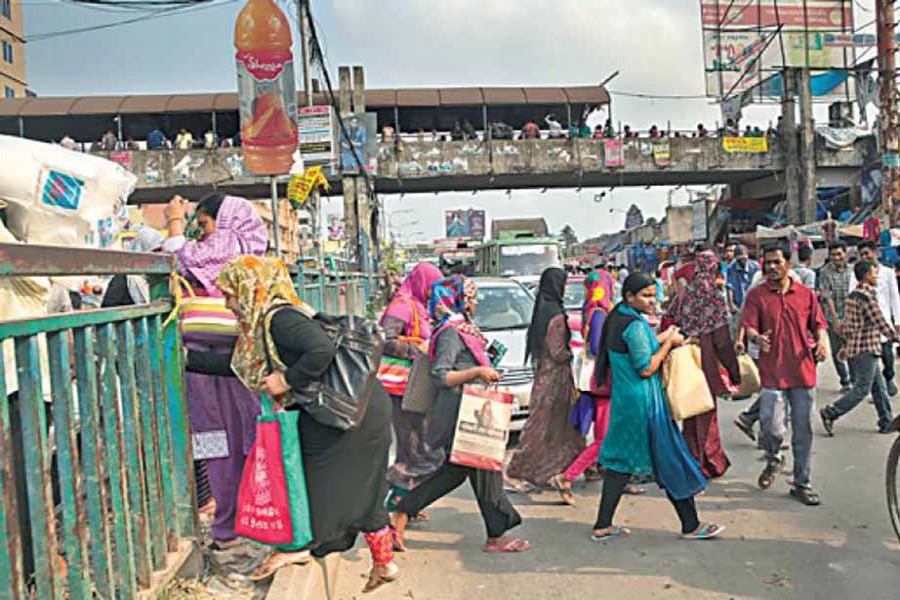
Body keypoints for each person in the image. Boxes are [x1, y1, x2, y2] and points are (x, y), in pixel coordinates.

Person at [206, 257, 398, 592]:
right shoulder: (269, 323)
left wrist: (287, 379)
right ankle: (384, 563)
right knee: (364, 490)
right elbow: (234, 367)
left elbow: (319, 349)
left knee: (312, 483)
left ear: (249, 287)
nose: (228, 304)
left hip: (345, 414)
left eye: (230, 294)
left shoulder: (280, 318)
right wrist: (184, 359)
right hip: (356, 409)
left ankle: (297, 547)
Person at [393, 276, 529, 554]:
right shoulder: (450, 332)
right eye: (470, 297)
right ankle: (496, 535)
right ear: (455, 298)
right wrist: (477, 372)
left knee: (453, 474)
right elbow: (442, 376)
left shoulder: (463, 328)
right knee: (486, 470)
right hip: (460, 413)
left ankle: (401, 510)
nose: (475, 302)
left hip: (471, 408)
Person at [163, 193, 268, 549]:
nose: (203, 234)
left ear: (222, 222)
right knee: (245, 441)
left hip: (207, 369)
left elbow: (174, 252)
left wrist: (176, 220)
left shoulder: (225, 247)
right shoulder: (256, 251)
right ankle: (250, 519)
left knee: (214, 445)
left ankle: (227, 528)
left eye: (205, 225)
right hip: (242, 366)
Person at [591, 273, 723, 542]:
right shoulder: (635, 326)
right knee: (671, 459)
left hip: (626, 402)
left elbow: (639, 350)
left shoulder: (618, 318)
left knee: (619, 463)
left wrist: (664, 338)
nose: (653, 301)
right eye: (646, 296)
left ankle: (602, 525)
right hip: (646, 404)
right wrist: (670, 345)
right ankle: (691, 525)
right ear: (629, 296)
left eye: (654, 295)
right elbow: (646, 367)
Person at [741, 243, 828, 506]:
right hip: (772, 372)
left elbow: (818, 324)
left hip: (802, 372)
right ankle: (774, 458)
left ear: (788, 264)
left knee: (803, 431)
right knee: (771, 427)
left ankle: (802, 483)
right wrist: (756, 337)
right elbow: (749, 326)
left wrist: (822, 342)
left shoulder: (805, 294)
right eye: (767, 263)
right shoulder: (757, 296)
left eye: (776, 262)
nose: (771, 267)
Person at [549, 271, 644, 504]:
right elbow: (597, 347)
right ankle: (567, 476)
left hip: (601, 383)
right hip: (606, 384)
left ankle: (620, 479)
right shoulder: (601, 313)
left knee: (612, 436)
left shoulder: (590, 309)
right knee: (606, 438)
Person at [506, 267, 585, 491]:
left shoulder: (542, 309)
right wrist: (576, 355)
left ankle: (557, 470)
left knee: (554, 427)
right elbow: (557, 350)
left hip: (545, 375)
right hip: (555, 379)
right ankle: (515, 471)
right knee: (544, 427)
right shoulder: (556, 315)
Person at [380, 262, 445, 515]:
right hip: (401, 390)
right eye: (431, 287)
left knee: (416, 448)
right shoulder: (403, 305)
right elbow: (384, 339)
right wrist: (415, 348)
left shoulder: (420, 306)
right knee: (416, 449)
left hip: (416, 387)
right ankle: (392, 503)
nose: (433, 293)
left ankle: (407, 503)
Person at [671, 251, 740, 479]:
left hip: (686, 360)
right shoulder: (714, 295)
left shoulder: (686, 293)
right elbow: (722, 339)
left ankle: (689, 458)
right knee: (707, 413)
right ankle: (709, 462)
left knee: (691, 412)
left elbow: (671, 318)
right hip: (707, 362)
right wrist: (734, 371)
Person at [821, 260, 900, 436]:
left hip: (859, 348)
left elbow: (848, 326)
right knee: (862, 389)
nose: (876, 276)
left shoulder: (853, 295)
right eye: (873, 273)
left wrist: (846, 345)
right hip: (866, 348)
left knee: (878, 387)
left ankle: (886, 420)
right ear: (865, 276)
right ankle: (830, 412)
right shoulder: (866, 297)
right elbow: (880, 322)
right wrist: (895, 337)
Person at [850, 240, 900, 397]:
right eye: (861, 254)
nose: (864, 257)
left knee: (888, 357)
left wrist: (897, 321)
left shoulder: (887, 273)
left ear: (875, 253)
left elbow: (894, 297)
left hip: (884, 322)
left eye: (867, 253)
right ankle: (879, 391)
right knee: (872, 361)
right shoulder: (856, 274)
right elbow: (852, 295)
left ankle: (889, 377)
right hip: (867, 327)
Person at [817, 242, 853, 391]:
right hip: (833, 318)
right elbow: (827, 296)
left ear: (845, 254)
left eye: (839, 254)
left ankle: (856, 379)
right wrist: (836, 319)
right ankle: (844, 380)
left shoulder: (852, 271)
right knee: (837, 350)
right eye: (833, 255)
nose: (836, 257)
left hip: (852, 317)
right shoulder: (825, 272)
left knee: (852, 349)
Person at [101, 226, 164, 307]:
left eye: (161, 251)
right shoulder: (124, 279)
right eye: (155, 251)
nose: (159, 256)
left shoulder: (163, 276)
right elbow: (108, 309)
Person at [726, 244, 760, 318]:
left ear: (747, 255)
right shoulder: (731, 268)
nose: (742, 261)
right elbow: (730, 287)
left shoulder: (755, 267)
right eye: (739, 259)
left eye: (744, 258)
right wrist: (731, 305)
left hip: (754, 303)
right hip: (739, 304)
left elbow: (760, 283)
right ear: (735, 258)